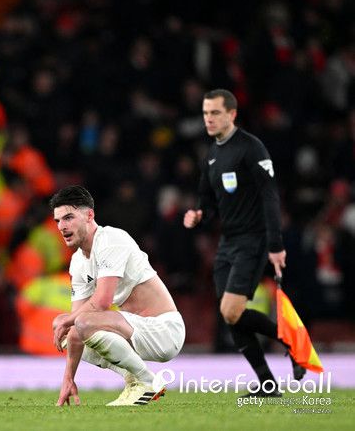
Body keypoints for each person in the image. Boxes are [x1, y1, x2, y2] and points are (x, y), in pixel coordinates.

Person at [183, 89, 305, 397]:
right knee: (230, 315)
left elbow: (270, 196)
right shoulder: (212, 154)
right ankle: (267, 383)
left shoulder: (251, 148)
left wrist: (276, 245)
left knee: (231, 310)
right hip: (227, 243)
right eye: (205, 113)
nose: (208, 119)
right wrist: (198, 215)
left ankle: (293, 342)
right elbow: (207, 201)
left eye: (215, 113)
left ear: (232, 114)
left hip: (254, 240)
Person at [50, 185, 185, 406]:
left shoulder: (111, 239)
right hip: (133, 333)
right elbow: (75, 331)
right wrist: (68, 378)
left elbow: (102, 302)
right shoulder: (78, 262)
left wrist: (70, 321)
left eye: (68, 218)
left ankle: (146, 381)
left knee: (78, 322)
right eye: (58, 221)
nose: (62, 227)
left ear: (89, 215)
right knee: (63, 326)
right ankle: (134, 380)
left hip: (164, 331)